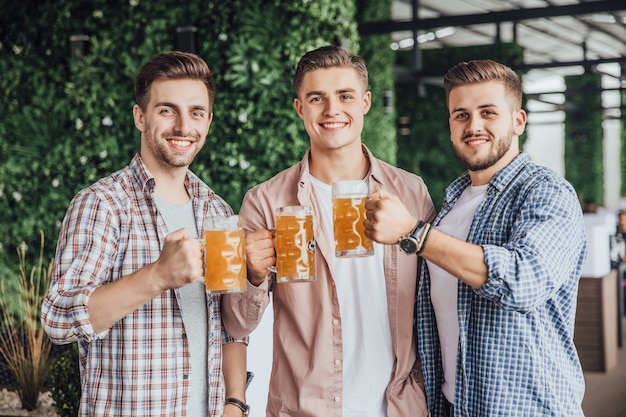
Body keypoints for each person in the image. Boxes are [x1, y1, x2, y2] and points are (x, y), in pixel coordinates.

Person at [364, 59, 587, 416]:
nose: (474, 126)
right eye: (461, 115)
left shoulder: (547, 192)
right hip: (454, 407)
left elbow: (522, 280)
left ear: (518, 122)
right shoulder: (451, 205)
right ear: (451, 126)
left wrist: (414, 234)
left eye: (488, 112)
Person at [222, 45, 435, 416]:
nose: (332, 110)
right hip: (304, 408)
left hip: (399, 406)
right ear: (300, 108)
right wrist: (253, 275)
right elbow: (235, 324)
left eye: (345, 96)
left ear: (365, 102)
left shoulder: (410, 192)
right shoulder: (265, 201)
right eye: (317, 98)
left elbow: (436, 302)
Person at [41, 51, 249, 417]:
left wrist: (235, 402)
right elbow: (58, 319)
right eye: (167, 110)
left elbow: (230, 326)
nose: (184, 126)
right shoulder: (102, 204)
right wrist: (156, 276)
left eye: (196, 112)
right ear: (140, 116)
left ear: (209, 121)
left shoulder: (218, 211)